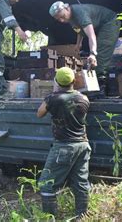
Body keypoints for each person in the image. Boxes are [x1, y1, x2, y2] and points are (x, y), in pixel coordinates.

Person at [36, 67, 91, 219]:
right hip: (83, 145)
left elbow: (39, 113)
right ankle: (82, 215)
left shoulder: (53, 99)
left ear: (57, 81)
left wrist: (55, 91)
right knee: (80, 182)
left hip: (64, 147)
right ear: (74, 81)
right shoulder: (84, 99)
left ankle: (49, 217)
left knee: (47, 184)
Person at [49, 1, 121, 93]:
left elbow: (91, 35)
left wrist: (93, 54)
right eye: (59, 19)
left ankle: (101, 88)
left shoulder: (79, 13)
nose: (62, 20)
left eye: (62, 16)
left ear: (67, 8)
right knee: (96, 52)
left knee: (100, 53)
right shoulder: (70, 18)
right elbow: (80, 30)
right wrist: (78, 44)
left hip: (110, 22)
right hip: (99, 26)